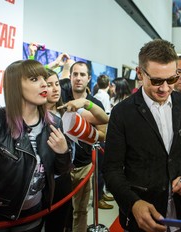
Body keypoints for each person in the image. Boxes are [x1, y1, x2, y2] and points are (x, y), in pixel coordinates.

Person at [103, 39, 181, 232]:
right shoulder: (122, 113)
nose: (165, 88)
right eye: (157, 81)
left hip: (180, 212)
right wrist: (133, 204)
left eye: (172, 79)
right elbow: (111, 169)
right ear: (140, 74)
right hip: (142, 218)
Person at [0, 60, 72, 231]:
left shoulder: (54, 122)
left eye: (44, 78)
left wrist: (63, 152)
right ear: (15, 86)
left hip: (32, 214)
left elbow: (57, 171)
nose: (44, 84)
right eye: (34, 79)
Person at [43, 69, 108, 231]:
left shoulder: (67, 109)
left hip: (72, 170)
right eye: (49, 85)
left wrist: (86, 104)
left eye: (57, 84)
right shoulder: (34, 115)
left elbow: (104, 122)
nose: (55, 88)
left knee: (74, 212)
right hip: (46, 177)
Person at [61, 61, 107, 232]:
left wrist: (84, 129)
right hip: (60, 166)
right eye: (75, 74)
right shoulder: (62, 98)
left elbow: (104, 133)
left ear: (89, 78)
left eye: (82, 75)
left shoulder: (95, 104)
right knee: (59, 209)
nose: (78, 78)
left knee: (80, 211)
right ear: (71, 77)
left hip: (83, 164)